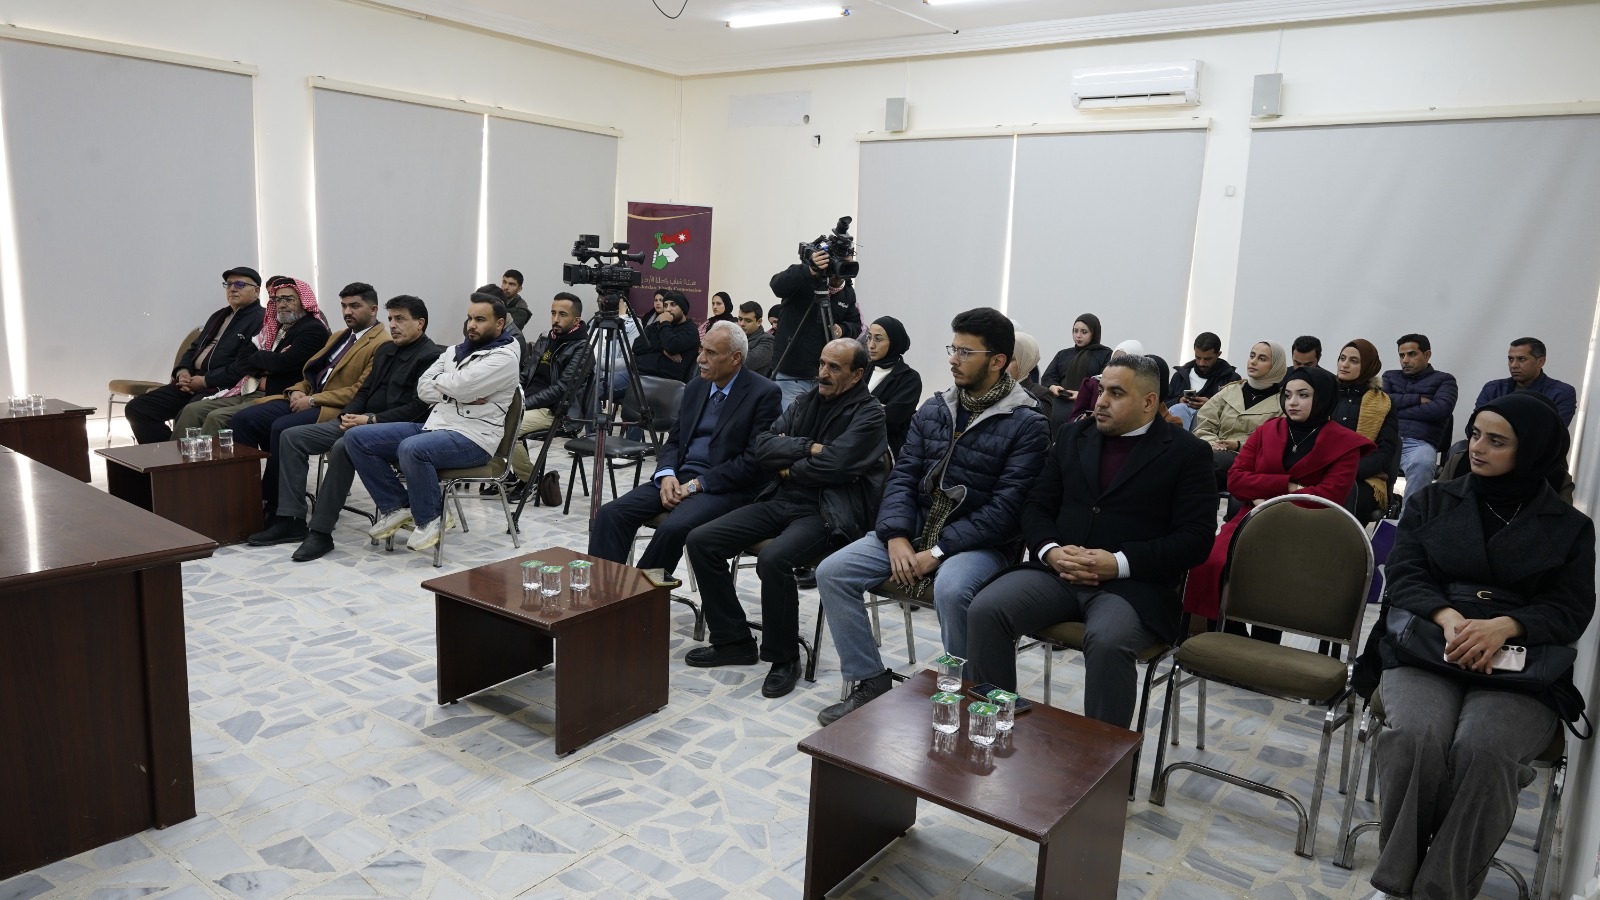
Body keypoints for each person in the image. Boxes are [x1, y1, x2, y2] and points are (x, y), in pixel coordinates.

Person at [1369, 392, 1594, 900]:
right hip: (1430, 647)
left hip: (1520, 667)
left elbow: (1571, 608)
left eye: (1496, 441)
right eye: (1474, 435)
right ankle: (1396, 884)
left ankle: (1440, 891)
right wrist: (1448, 617)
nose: (1477, 448)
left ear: (1531, 450)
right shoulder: (1433, 500)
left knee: (1485, 749)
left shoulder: (1570, 528)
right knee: (1417, 736)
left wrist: (1506, 626)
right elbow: (1403, 574)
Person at [815, 309, 1048, 724]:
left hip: (982, 544)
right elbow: (902, 478)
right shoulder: (936, 408)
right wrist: (895, 536)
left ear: (997, 360)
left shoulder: (1027, 423)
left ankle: (969, 697)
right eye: (952, 349)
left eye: (965, 352)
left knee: (952, 589)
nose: (953, 359)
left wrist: (937, 552)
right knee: (833, 572)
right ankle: (869, 679)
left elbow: (1007, 510)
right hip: (915, 530)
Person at [965, 354, 1215, 727]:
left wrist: (1118, 563)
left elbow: (1195, 539)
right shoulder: (1072, 436)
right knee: (986, 609)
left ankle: (1102, 755)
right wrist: (1051, 551)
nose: (1100, 401)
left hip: (1132, 586)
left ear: (1149, 402)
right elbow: (1036, 506)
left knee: (1109, 641)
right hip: (1058, 573)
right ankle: (996, 724)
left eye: (1116, 393)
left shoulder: (1187, 453)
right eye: (1101, 390)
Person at [684, 339, 888, 699]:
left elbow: (839, 465)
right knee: (702, 541)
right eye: (822, 363)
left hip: (828, 510)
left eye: (834, 367)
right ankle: (733, 639)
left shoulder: (870, 414)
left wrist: (790, 468)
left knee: (774, 559)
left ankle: (784, 658)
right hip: (781, 499)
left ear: (857, 374)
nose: (823, 373)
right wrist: (807, 448)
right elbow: (763, 446)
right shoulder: (806, 401)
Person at [1183, 366, 1374, 633]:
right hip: (1251, 521)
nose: (1292, 402)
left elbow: (1328, 496)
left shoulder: (1344, 443)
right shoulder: (1267, 430)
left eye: (1303, 395)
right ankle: (1227, 635)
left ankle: (1263, 644)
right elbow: (1236, 479)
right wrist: (1288, 485)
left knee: (1272, 577)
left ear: (1323, 397)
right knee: (1210, 562)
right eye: (1288, 395)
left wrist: (1267, 498)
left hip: (1310, 528)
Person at [248, 296, 443, 556]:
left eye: (400, 319)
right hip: (358, 421)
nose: (393, 325)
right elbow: (363, 392)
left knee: (343, 447)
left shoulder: (431, 356)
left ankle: (320, 532)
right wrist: (349, 416)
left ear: (420, 323)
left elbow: (417, 408)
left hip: (393, 429)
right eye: (391, 319)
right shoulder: (386, 350)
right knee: (291, 436)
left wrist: (371, 421)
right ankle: (291, 519)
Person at [588, 322, 782, 580]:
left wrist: (697, 484)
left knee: (673, 528)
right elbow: (674, 441)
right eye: (702, 349)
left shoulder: (764, 393)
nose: (700, 359)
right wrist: (666, 473)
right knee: (611, 514)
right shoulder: (695, 386)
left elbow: (753, 461)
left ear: (735, 358)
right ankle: (602, 591)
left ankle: (642, 593)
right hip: (679, 476)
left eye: (711, 353)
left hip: (723, 486)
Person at [344, 293, 521, 553]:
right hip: (436, 427)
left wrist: (451, 386)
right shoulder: (454, 351)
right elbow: (424, 388)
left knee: (412, 448)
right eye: (470, 318)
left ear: (499, 324)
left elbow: (462, 385)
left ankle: (431, 518)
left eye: (480, 319)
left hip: (474, 438)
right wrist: (455, 391)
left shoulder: (504, 358)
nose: (471, 325)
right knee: (357, 438)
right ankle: (399, 507)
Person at [232, 282, 390, 523]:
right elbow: (312, 373)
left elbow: (359, 391)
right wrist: (298, 390)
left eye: (355, 306)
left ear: (373, 309)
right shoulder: (339, 336)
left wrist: (313, 399)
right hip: (307, 398)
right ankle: (246, 498)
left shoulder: (382, 344)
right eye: (344, 306)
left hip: (334, 408)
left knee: (282, 427)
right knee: (245, 419)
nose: (347, 311)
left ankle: (275, 503)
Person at [173, 276, 330, 437]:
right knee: (192, 410)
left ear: (303, 301)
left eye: (289, 299)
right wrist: (266, 362)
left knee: (216, 417)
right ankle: (175, 453)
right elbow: (242, 359)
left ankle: (209, 455)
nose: (282, 305)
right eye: (277, 300)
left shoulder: (313, 329)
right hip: (249, 388)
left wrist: (260, 358)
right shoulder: (275, 326)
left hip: (278, 393)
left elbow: (281, 364)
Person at [127, 267, 267, 444]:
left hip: (222, 387)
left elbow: (244, 367)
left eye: (240, 284)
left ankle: (176, 456)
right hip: (192, 381)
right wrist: (183, 372)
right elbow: (194, 348)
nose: (232, 289)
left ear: (256, 291)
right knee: (138, 408)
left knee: (188, 413)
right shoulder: (219, 316)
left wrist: (205, 381)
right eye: (229, 284)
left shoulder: (261, 320)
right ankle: (165, 454)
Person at [503, 292, 593, 501]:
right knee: (486, 420)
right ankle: (507, 475)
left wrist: (523, 404)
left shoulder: (583, 349)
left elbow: (562, 389)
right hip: (529, 403)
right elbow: (525, 375)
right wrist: (511, 397)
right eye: (553, 313)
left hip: (557, 411)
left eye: (562, 314)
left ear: (576, 320)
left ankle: (531, 480)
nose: (556, 319)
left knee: (508, 429)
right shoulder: (546, 339)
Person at [768, 249, 862, 408]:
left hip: (825, 376)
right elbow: (777, 285)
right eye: (839, 264)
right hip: (791, 374)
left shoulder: (847, 293)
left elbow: (856, 325)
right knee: (791, 420)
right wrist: (809, 270)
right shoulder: (804, 279)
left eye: (847, 265)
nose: (841, 271)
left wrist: (843, 330)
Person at [1193, 340, 1286, 491]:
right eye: (1252, 356)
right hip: (1214, 452)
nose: (1253, 362)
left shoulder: (1283, 403)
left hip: (1250, 461)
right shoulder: (1230, 391)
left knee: (1207, 464)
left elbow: (1274, 444)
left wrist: (1238, 445)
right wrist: (1214, 443)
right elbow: (1204, 423)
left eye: (1262, 359)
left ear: (1276, 366)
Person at [1382, 333, 1458, 505]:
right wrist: (1416, 399)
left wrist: (1395, 408)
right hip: (1387, 440)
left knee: (1423, 463)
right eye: (1402, 355)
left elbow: (1441, 410)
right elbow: (1381, 404)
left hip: (1419, 444)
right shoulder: (1390, 376)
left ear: (1427, 354)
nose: (1405, 360)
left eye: (1411, 354)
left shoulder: (1445, 380)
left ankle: (1409, 518)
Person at [1331, 339, 1401, 520]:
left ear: (1368, 366)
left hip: (1363, 478)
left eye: (1354, 361)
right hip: (1321, 471)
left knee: (1345, 500)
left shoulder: (1383, 403)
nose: (1344, 365)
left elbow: (1384, 451)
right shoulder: (1324, 394)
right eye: (1342, 358)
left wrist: (1348, 472)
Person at [1473, 337, 1577, 427]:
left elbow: (1553, 434)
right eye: (1511, 359)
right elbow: (1475, 426)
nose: (1514, 365)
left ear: (1540, 362)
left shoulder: (1561, 393)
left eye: (1522, 359)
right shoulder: (1493, 389)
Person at [863, 316, 923, 456]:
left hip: (884, 448)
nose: (871, 345)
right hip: (851, 439)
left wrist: (858, 407)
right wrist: (876, 407)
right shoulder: (862, 369)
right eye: (869, 337)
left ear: (895, 342)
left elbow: (890, 420)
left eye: (878, 339)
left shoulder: (909, 379)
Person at [1165, 332, 1238, 430]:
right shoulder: (1180, 375)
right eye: (1198, 358)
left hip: (1209, 428)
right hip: (1178, 427)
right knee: (1179, 408)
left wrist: (1211, 404)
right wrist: (1178, 400)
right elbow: (1164, 404)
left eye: (1207, 359)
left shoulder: (1231, 379)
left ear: (1218, 354)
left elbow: (1234, 413)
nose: (1201, 363)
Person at [1040, 313, 1111, 405]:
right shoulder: (1063, 354)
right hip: (1060, 404)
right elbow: (1048, 377)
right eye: (1075, 331)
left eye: (1084, 332)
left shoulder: (1106, 355)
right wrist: (1053, 387)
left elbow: (1105, 382)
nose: (1078, 335)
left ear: (1094, 333)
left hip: (1089, 406)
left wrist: (1082, 394)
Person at [633, 290, 699, 382]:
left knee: (612, 383)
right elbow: (636, 346)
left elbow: (671, 346)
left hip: (663, 380)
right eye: (665, 305)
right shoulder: (657, 325)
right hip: (638, 371)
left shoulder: (690, 330)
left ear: (682, 308)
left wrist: (665, 322)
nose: (668, 309)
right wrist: (662, 348)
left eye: (673, 305)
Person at [1009, 331, 1054, 423]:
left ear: (1025, 362)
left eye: (1011, 360)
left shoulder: (1040, 395)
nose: (1003, 364)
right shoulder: (990, 390)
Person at [737, 301, 774, 377]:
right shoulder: (735, 336)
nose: (742, 324)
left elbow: (745, 363)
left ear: (759, 322)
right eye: (740, 319)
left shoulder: (768, 340)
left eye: (748, 321)